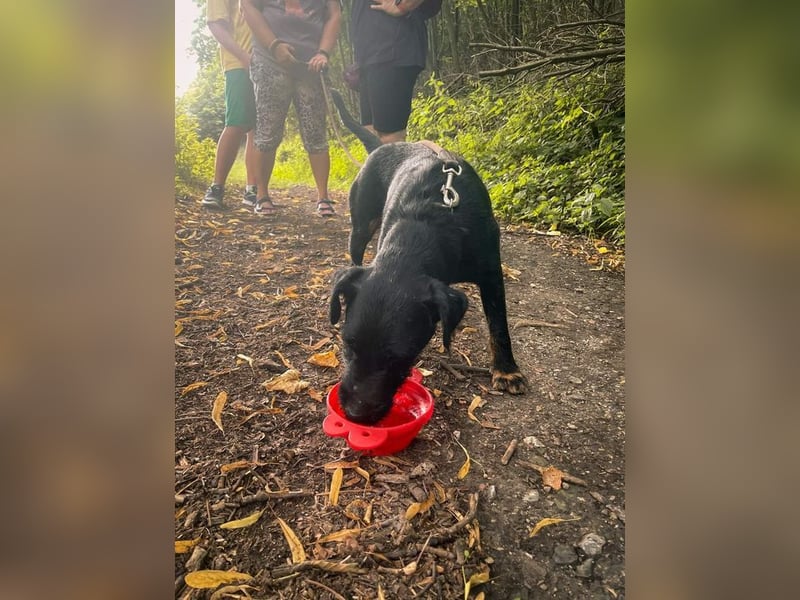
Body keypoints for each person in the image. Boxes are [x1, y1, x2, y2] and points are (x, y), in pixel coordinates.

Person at [241, 0, 341, 217]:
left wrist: (324, 52)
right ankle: (262, 195)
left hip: (312, 66)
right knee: (267, 131)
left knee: (316, 132)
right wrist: (275, 45)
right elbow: (247, 6)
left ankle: (323, 196)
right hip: (269, 62)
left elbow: (334, 13)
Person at [350, 0, 438, 145]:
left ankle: (398, 166)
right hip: (370, 52)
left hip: (392, 47)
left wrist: (403, 5)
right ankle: (382, 167)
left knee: (389, 136)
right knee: (370, 133)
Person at [202, 0, 260, 211]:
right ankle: (217, 187)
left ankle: (253, 189)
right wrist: (243, 56)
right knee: (236, 123)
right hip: (238, 63)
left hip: (267, 62)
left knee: (258, 128)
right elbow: (215, 24)